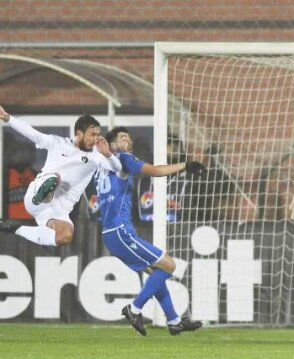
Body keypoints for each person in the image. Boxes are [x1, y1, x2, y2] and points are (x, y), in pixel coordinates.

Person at [97, 127, 205, 336]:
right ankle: (134, 308)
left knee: (157, 273)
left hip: (112, 232)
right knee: (169, 265)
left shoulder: (101, 165)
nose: (128, 140)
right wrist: (185, 165)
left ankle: (174, 321)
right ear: (111, 145)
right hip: (120, 230)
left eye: (129, 137)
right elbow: (155, 171)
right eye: (122, 138)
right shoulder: (124, 158)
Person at [0, 106, 122, 246]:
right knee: (54, 179)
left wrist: (108, 154)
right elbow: (32, 133)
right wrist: (7, 118)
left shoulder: (96, 156)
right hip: (36, 200)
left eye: (97, 135)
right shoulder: (57, 143)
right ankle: (43, 194)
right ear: (79, 133)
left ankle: (15, 228)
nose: (95, 139)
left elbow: (117, 168)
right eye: (92, 135)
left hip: (57, 211)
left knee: (65, 236)